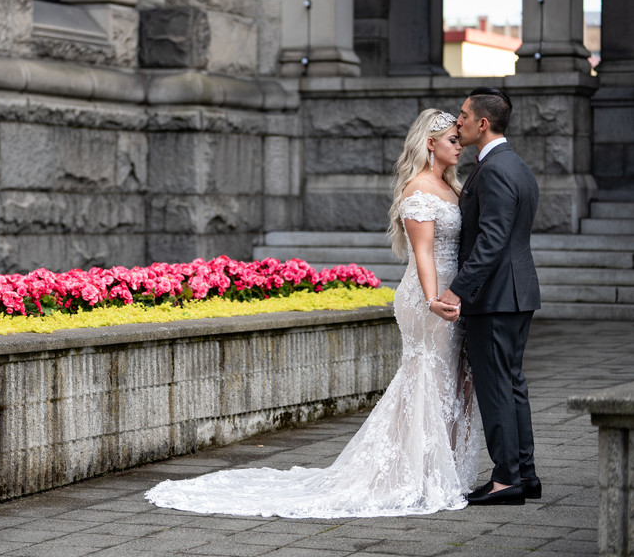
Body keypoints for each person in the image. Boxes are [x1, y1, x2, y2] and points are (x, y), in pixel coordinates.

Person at [144, 109, 480, 518]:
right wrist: (432, 298)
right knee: (427, 378)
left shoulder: (452, 187)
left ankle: (436, 470)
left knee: (450, 381)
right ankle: (415, 475)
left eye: (458, 141)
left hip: (452, 296)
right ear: (430, 143)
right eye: (451, 141)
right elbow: (423, 252)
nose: (459, 147)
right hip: (426, 298)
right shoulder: (418, 190)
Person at [438, 87, 541, 506]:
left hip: (496, 297)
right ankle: (525, 475)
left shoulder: (495, 169)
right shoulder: (516, 165)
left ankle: (505, 480)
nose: (457, 121)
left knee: (497, 387)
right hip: (516, 293)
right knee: (512, 384)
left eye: (463, 115)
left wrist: (456, 289)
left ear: (483, 123)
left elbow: (492, 240)